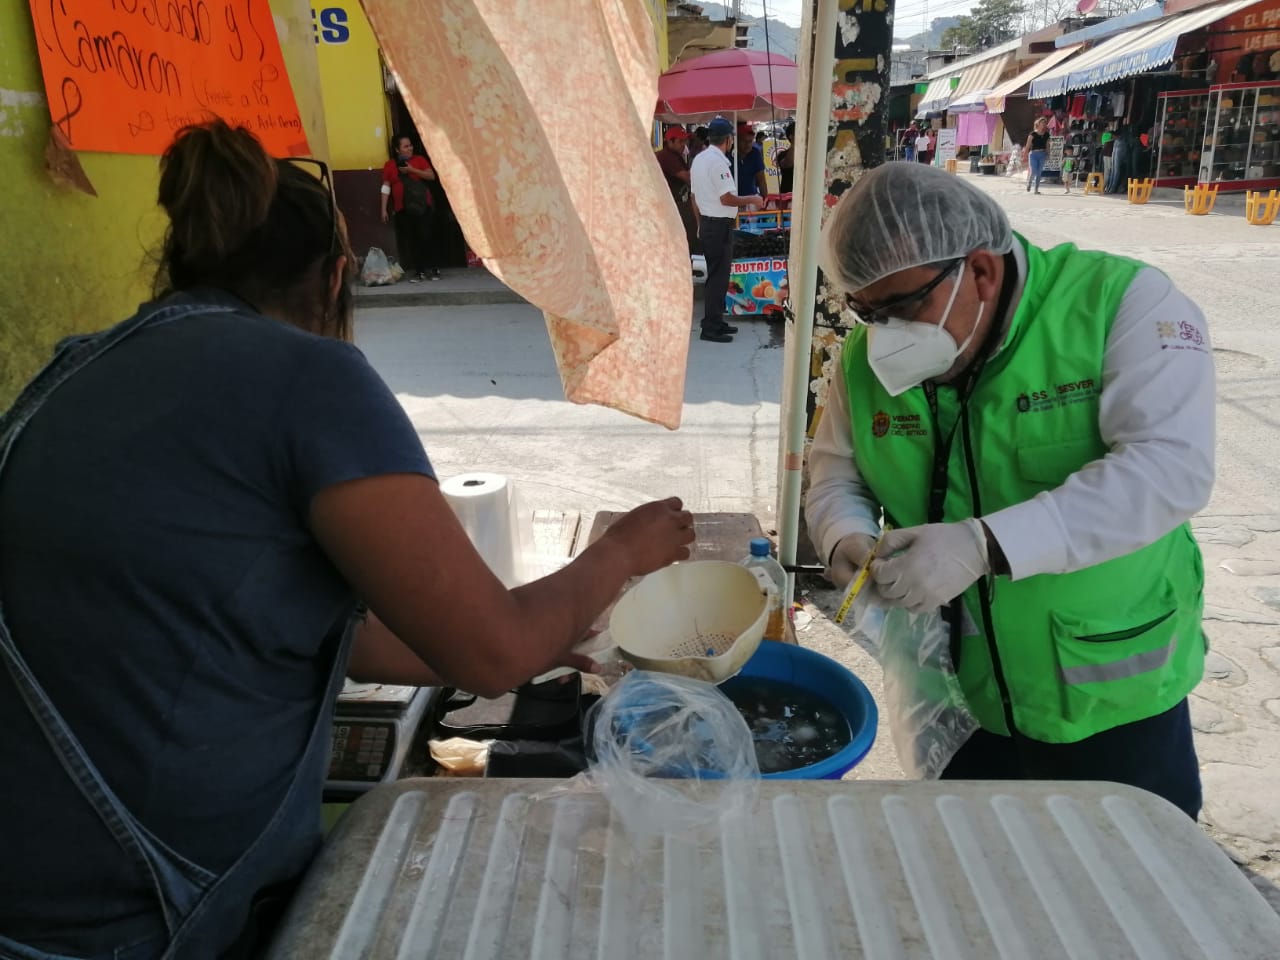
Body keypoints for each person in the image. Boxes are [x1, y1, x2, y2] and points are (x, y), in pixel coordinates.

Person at [0, 120, 697, 959]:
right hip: (139, 909)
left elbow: (313, 622)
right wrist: (618, 554)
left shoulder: (76, 368)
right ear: (337, 278)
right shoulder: (307, 376)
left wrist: (550, 626)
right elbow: (491, 653)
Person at [807, 162, 1213, 820]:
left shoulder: (1122, 305)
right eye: (866, 311)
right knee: (985, 882)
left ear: (982, 270)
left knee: (1126, 890)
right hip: (962, 701)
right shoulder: (865, 363)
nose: (885, 335)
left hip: (1112, 702)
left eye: (904, 307)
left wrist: (983, 543)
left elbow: (1170, 468)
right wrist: (844, 534)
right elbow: (835, 471)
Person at [689, 117, 765, 344]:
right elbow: (727, 198)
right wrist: (752, 198)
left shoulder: (699, 160)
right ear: (729, 140)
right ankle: (711, 326)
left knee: (716, 275)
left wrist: (700, 224)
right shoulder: (718, 162)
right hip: (719, 224)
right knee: (718, 277)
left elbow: (694, 197)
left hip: (709, 223)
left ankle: (715, 320)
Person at [380, 133, 440, 282]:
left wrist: (412, 170)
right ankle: (419, 271)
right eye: (406, 146)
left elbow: (431, 176)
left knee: (426, 235)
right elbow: (386, 186)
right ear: (397, 150)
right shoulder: (389, 165)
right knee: (413, 239)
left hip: (422, 205)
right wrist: (383, 208)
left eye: (410, 145)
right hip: (403, 208)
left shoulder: (419, 160)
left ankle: (434, 268)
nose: (410, 148)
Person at [656, 125, 698, 254]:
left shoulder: (676, 155)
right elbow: (687, 178)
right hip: (675, 205)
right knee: (685, 241)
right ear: (669, 141)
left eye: (685, 141)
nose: (683, 144)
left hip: (681, 203)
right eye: (680, 141)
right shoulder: (666, 156)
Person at [734, 121, 768, 198]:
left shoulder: (755, 153)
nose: (748, 145)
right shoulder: (729, 154)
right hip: (732, 201)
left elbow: (761, 180)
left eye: (750, 141)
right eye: (744, 141)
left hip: (751, 199)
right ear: (736, 140)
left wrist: (765, 201)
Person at [1025, 117, 1050, 194]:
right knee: (1033, 171)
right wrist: (1025, 154)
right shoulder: (1033, 134)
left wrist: (1048, 154)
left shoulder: (1046, 134)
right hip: (1033, 154)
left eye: (1045, 124)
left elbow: (1047, 145)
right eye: (1042, 123)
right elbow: (1028, 145)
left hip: (1042, 154)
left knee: (1039, 172)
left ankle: (1036, 189)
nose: (1044, 125)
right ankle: (1029, 182)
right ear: (1038, 124)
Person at [777, 120, 796, 194]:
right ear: (791, 136)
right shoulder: (782, 154)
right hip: (788, 198)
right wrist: (795, 144)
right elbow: (788, 163)